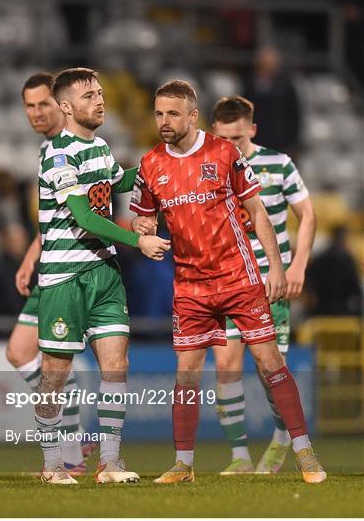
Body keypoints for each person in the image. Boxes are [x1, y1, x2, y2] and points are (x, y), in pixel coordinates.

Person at [130, 79, 325, 485]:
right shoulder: (150, 164)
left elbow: (256, 209)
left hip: (239, 276)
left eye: (172, 113)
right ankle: (184, 464)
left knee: (271, 362)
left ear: (192, 115)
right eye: (158, 113)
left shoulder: (223, 153)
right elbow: (142, 215)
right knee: (186, 373)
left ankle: (305, 454)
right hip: (190, 285)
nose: (164, 121)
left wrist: (275, 266)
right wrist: (143, 229)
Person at [35, 67, 170, 485]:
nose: (99, 100)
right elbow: (83, 217)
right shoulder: (58, 153)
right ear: (66, 106)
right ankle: (52, 463)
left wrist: (160, 167)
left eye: (100, 93)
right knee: (54, 375)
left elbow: (119, 183)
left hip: (104, 273)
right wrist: (137, 239)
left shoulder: (102, 148)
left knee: (117, 366)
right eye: (89, 94)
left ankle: (110, 462)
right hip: (64, 279)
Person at [211, 95, 317, 474]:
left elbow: (307, 215)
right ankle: (239, 457)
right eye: (224, 139)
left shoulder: (278, 163)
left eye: (238, 138)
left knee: (269, 369)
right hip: (227, 281)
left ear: (252, 130)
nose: (231, 146)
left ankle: (281, 437)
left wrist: (297, 266)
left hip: (271, 283)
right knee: (225, 366)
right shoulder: (210, 168)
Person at [5, 72, 93, 475]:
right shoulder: (48, 149)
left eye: (43, 103)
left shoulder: (73, 146)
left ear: (61, 104)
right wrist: (30, 257)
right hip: (52, 265)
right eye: (29, 105)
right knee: (21, 353)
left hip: (75, 269)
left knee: (45, 359)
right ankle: (74, 442)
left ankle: (71, 450)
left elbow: (84, 210)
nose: (36, 112)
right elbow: (51, 217)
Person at [306, 225, 362, 317]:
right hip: (344, 313)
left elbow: (308, 284)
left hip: (319, 312)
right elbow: (355, 289)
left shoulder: (319, 259)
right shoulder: (348, 260)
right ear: (345, 239)